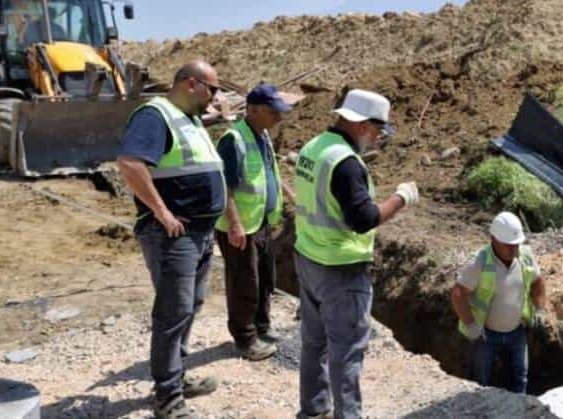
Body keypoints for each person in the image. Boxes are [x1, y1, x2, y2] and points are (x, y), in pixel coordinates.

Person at [294, 89, 419, 419]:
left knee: (314, 342)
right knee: (347, 352)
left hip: (308, 258)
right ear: (363, 124)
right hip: (340, 269)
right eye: (378, 130)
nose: (379, 138)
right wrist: (401, 198)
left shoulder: (314, 146)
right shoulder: (346, 164)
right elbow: (363, 219)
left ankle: (314, 409)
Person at [117, 61, 226, 419]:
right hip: (173, 235)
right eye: (212, 89)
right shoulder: (154, 115)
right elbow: (131, 164)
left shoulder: (189, 120)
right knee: (173, 312)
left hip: (199, 232)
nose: (216, 97)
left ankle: (177, 378)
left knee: (188, 307)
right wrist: (162, 212)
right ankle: (167, 396)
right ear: (192, 84)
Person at [214, 84, 295, 361]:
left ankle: (261, 326)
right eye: (273, 113)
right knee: (244, 283)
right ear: (253, 110)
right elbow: (224, 186)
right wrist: (235, 224)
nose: (278, 118)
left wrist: (291, 196)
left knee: (264, 280)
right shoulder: (233, 140)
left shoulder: (262, 136)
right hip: (241, 227)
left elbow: (269, 173)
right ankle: (245, 338)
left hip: (259, 222)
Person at [451, 211, 547, 394]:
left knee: (520, 378)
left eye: (516, 244)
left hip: (516, 332)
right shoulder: (480, 261)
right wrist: (471, 325)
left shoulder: (525, 256)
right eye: (508, 245)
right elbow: (458, 293)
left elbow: (538, 282)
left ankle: (519, 411)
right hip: (485, 336)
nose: (514, 249)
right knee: (480, 382)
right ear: (494, 239)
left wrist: (539, 309)